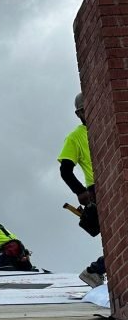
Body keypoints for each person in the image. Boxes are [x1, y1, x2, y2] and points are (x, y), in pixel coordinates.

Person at [58, 92, 105, 288]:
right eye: (87, 110)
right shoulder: (75, 137)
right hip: (99, 189)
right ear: (79, 114)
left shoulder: (107, 125)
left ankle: (96, 270)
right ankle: (95, 270)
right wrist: (81, 192)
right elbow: (65, 170)